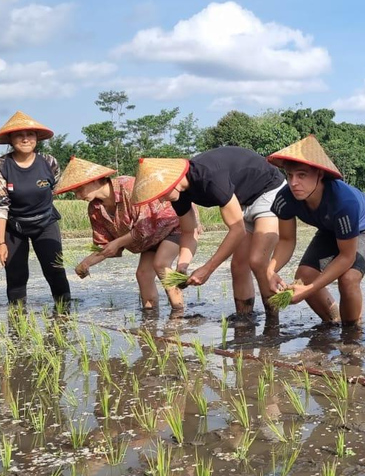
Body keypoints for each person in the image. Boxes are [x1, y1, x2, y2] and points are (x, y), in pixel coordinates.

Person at [131, 147, 286, 325]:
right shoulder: (179, 195)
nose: (160, 200)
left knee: (258, 260)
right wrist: (183, 265)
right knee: (238, 266)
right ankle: (245, 320)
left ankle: (272, 324)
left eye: (161, 194)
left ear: (171, 182)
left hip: (269, 190)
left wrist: (208, 269)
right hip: (244, 201)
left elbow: (237, 230)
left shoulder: (209, 178)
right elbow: (189, 231)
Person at [54, 157, 197, 314]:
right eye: (75, 192)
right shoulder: (95, 209)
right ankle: (150, 317)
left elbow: (144, 227)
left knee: (161, 264)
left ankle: (178, 313)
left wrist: (117, 242)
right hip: (150, 240)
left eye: (79, 190)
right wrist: (86, 263)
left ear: (94, 180)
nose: (78, 196)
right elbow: (105, 245)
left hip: (173, 225)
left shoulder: (128, 187)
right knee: (142, 274)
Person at [266, 136, 365, 326]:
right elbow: (286, 240)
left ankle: (352, 333)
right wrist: (270, 270)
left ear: (319, 174)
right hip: (330, 228)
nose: (293, 183)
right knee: (304, 275)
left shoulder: (343, 202)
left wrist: (308, 290)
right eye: (289, 175)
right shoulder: (285, 198)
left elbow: (346, 257)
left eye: (302, 175)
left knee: (348, 279)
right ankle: (334, 320)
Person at [0, 111, 70, 307]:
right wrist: (1, 242)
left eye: (30, 134)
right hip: (14, 226)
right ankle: (17, 317)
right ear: (10, 139)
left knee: (55, 269)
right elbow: (1, 206)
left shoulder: (49, 162)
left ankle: (64, 313)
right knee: (15, 273)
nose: (25, 139)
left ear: (37, 138)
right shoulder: (3, 165)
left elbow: (56, 189)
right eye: (19, 135)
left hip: (46, 223)